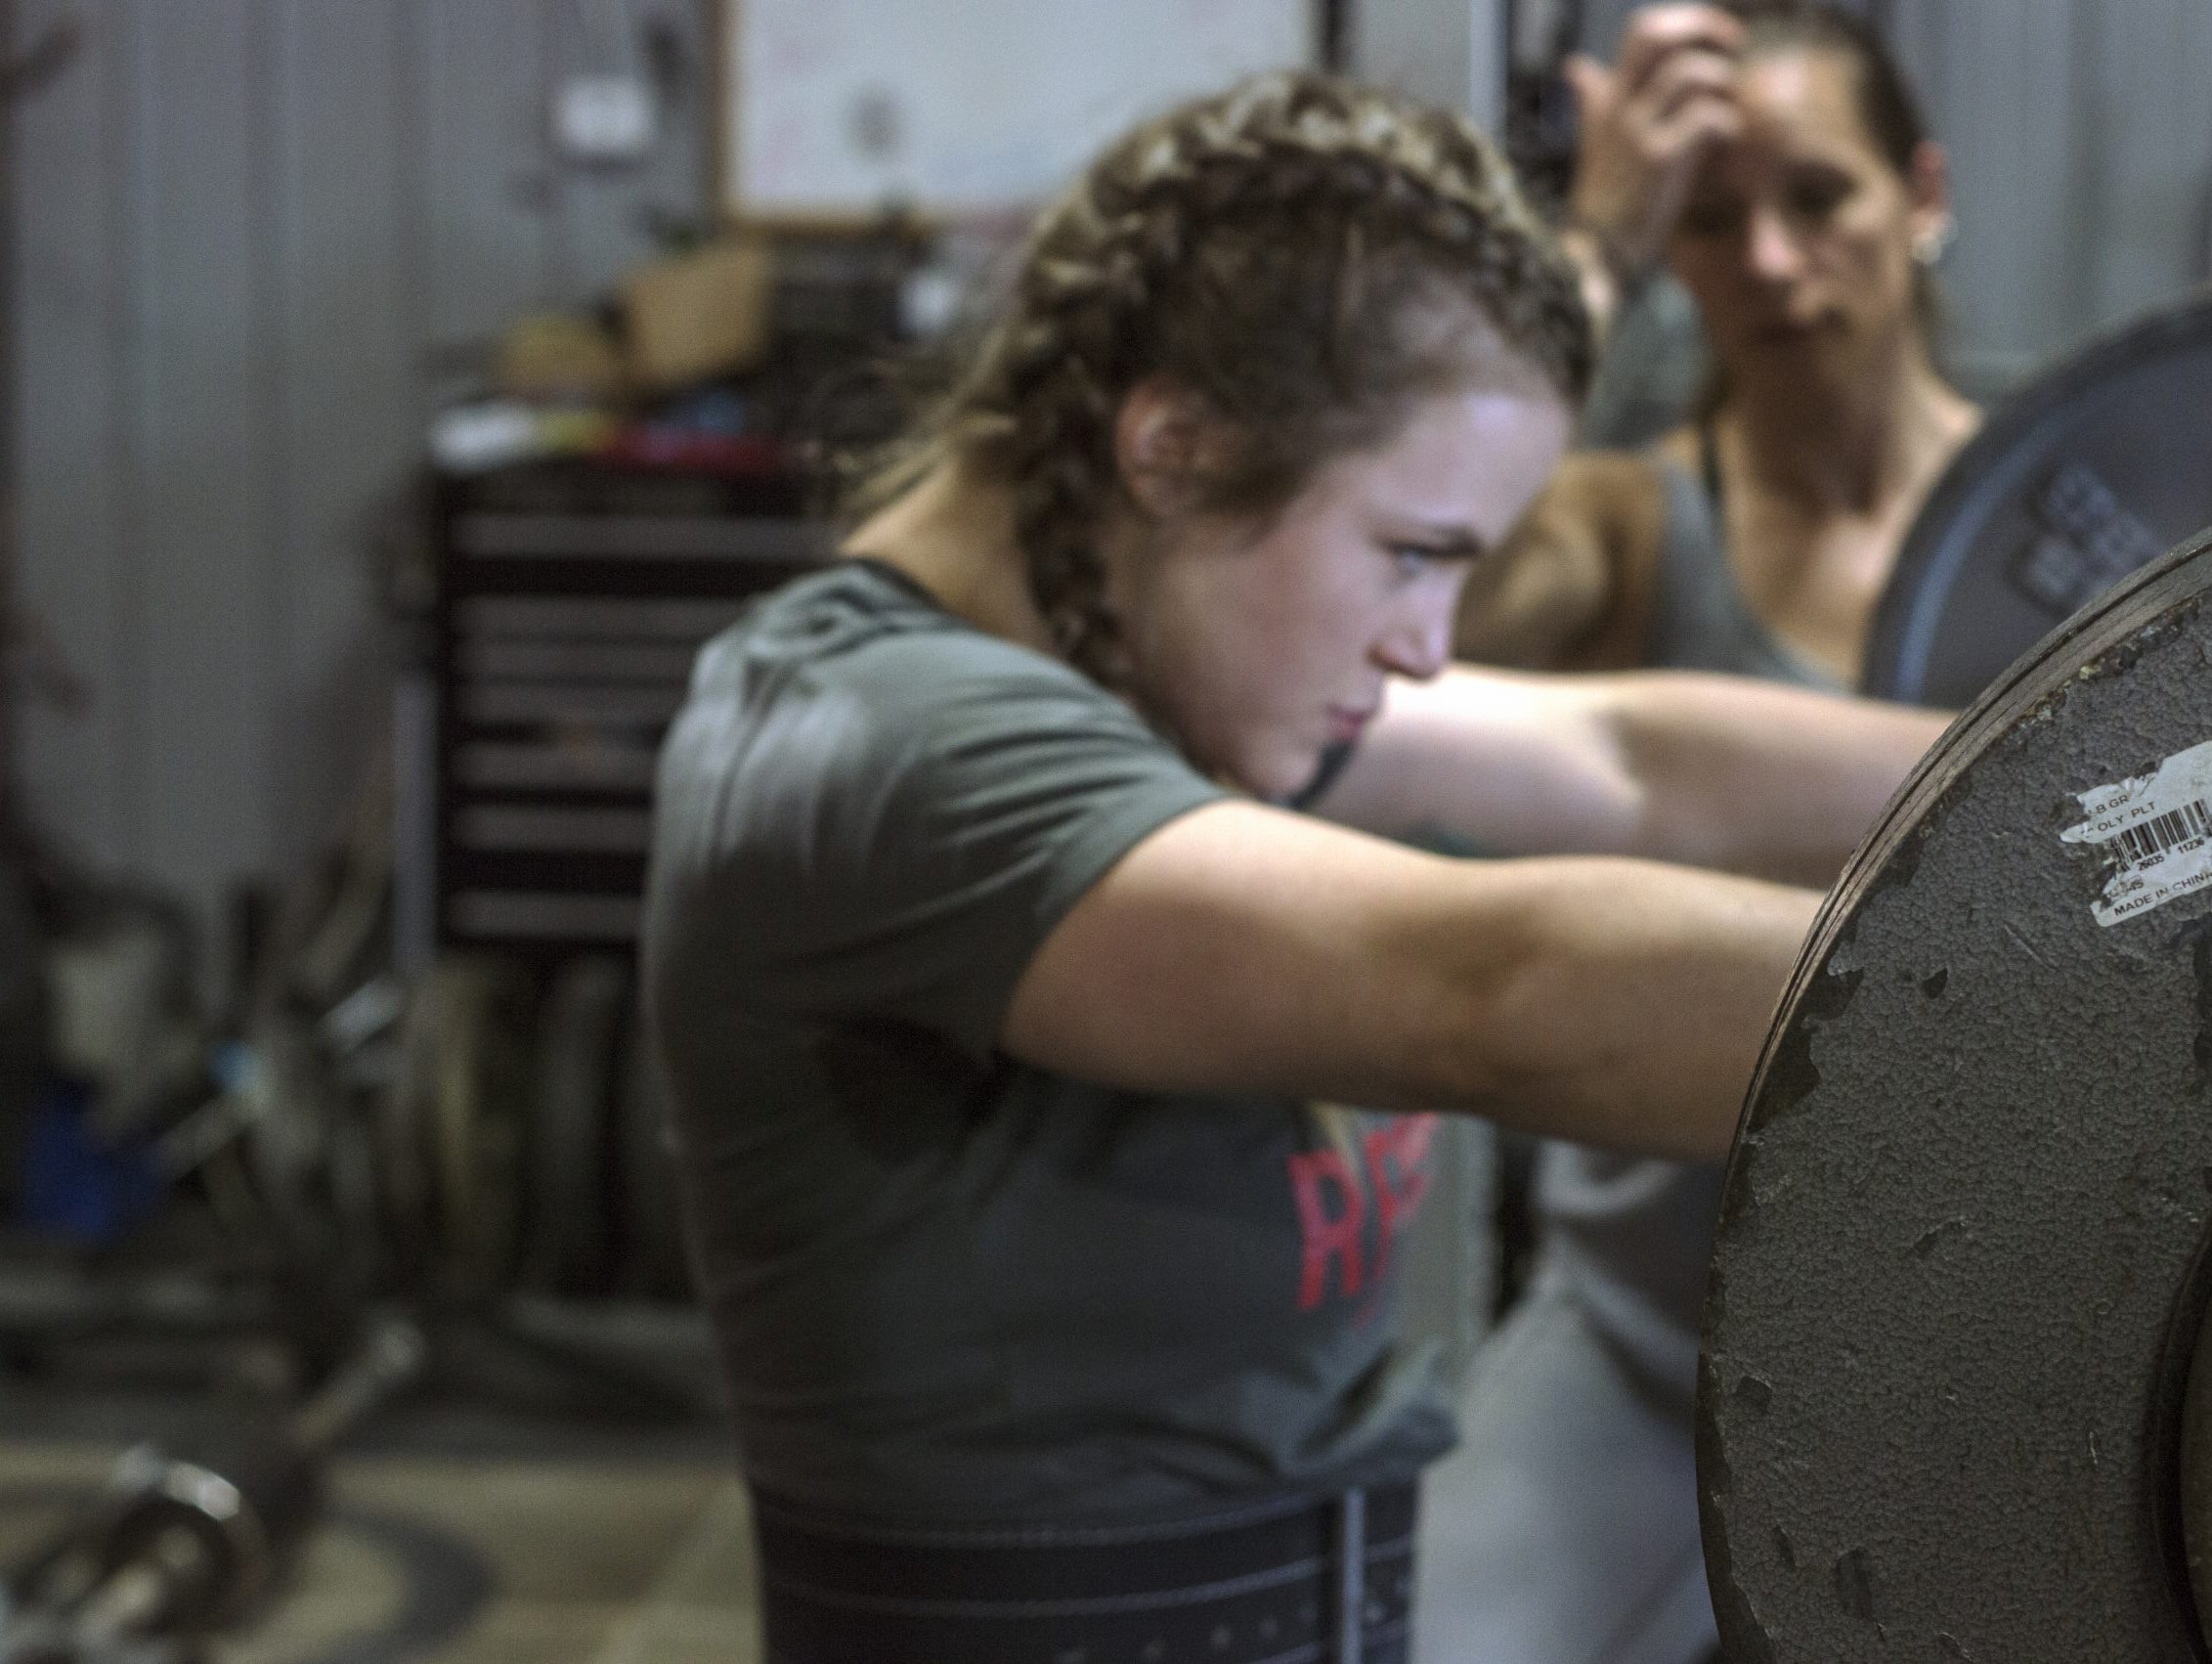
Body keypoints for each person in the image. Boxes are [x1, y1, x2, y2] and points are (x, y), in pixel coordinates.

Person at [642, 69, 1943, 1664]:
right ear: (1174, 452)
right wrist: (2100, 1014)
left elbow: (1629, 761)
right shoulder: (886, 745)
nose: (1423, 648)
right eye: (1411, 554)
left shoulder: (1159, 657)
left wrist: (2126, 788)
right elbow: (1488, 988)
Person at [1418, 8, 1981, 1661]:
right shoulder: (1616, 519)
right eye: (1712, 221)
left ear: (1923, 193)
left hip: (2007, 1353)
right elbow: (1419, 588)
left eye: (1820, 197)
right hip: (1652, 1329)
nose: (1774, 260)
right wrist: (1585, 242)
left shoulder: (2081, 519)